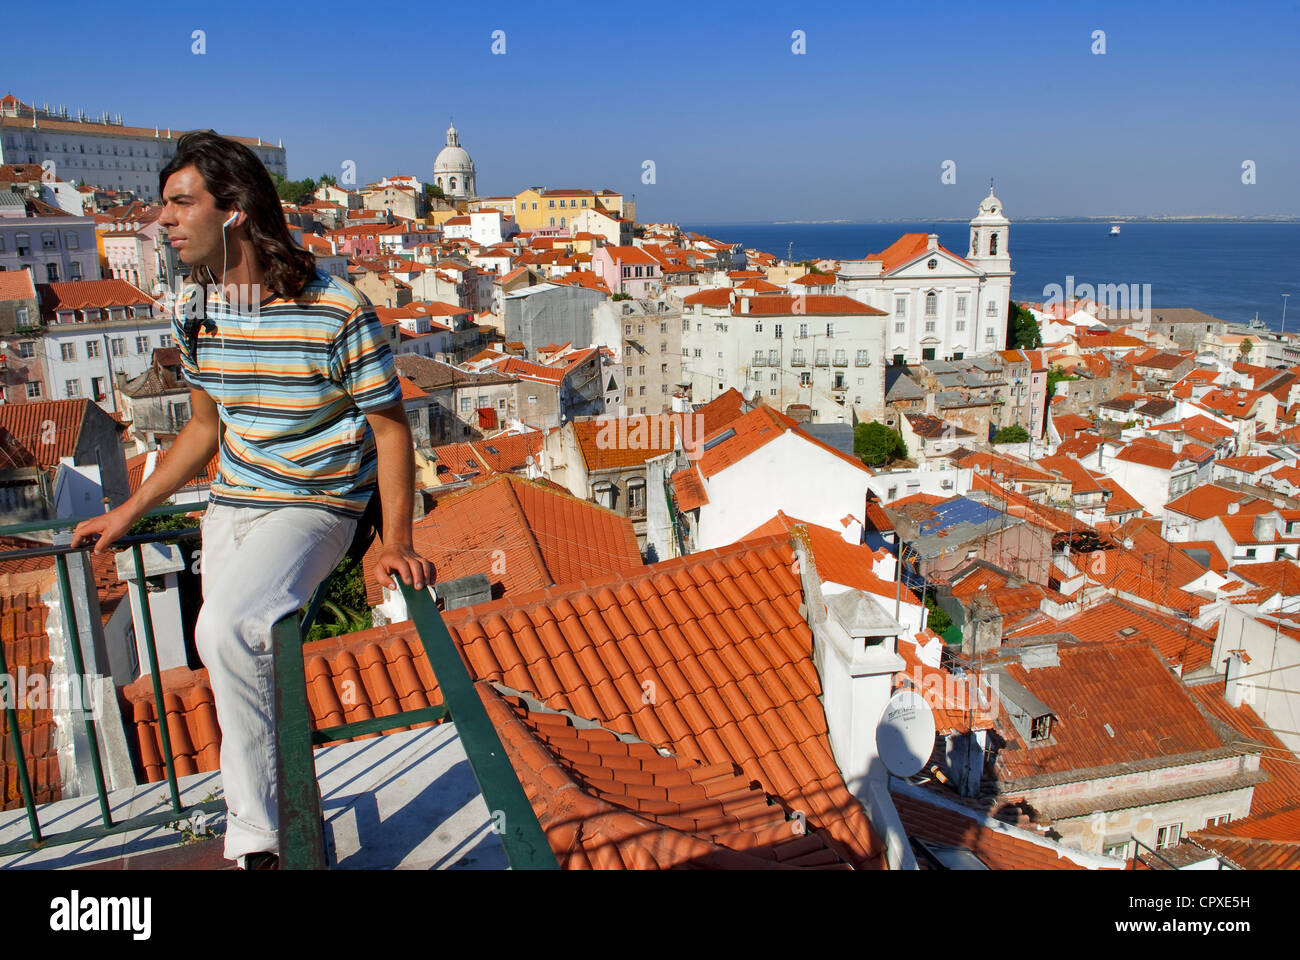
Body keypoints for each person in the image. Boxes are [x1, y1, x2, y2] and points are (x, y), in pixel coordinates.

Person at [71, 130, 434, 870]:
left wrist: (394, 540)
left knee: (229, 630)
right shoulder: (196, 308)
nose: (161, 221)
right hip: (235, 501)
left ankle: (262, 842)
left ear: (234, 210)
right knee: (226, 641)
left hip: (318, 501)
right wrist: (127, 511)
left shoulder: (334, 308)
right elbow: (204, 430)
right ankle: (274, 813)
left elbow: (390, 430)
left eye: (180, 204)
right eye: (161, 206)